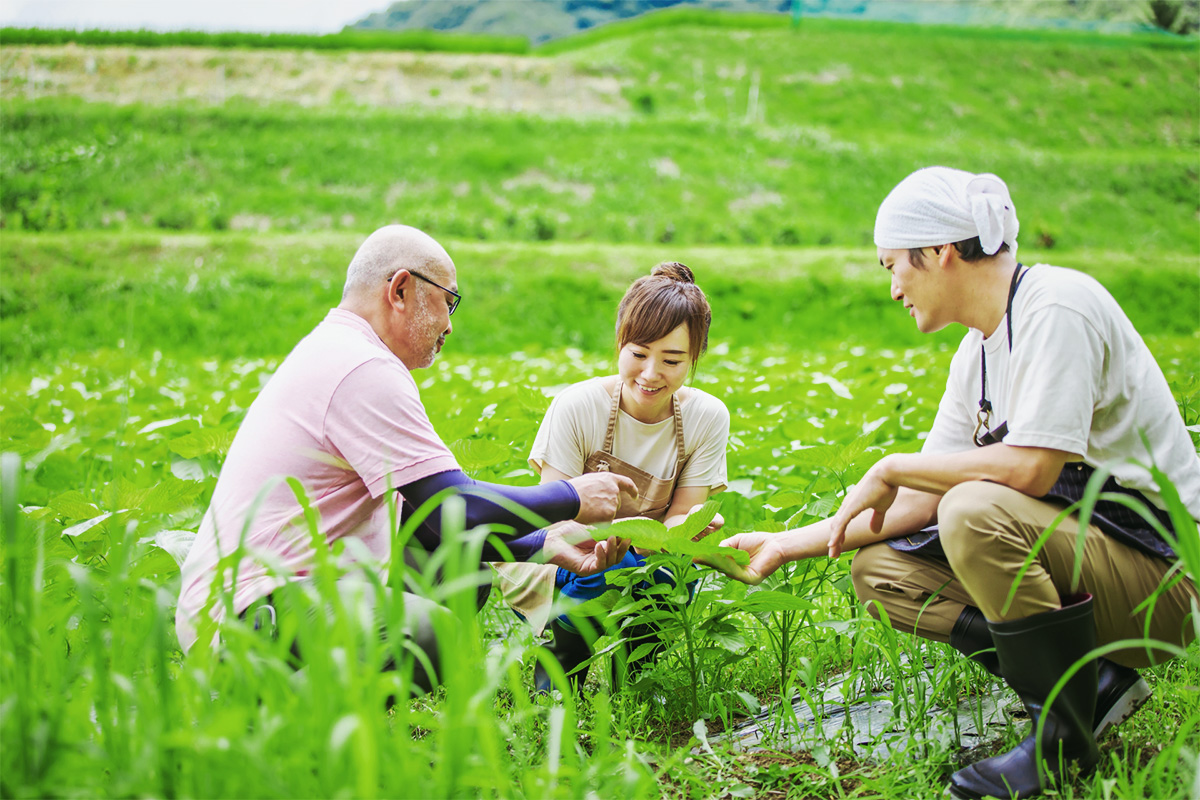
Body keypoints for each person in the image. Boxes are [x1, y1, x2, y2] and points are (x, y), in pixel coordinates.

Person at [710, 168, 1200, 799]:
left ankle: (1062, 741)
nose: (893, 289)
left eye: (894, 266)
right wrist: (789, 541)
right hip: (1098, 561)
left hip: (1168, 582)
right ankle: (1091, 686)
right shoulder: (980, 349)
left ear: (940, 252)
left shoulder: (1059, 307)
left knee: (972, 510)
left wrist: (891, 464)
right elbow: (918, 502)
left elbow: (1032, 469)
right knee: (882, 571)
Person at [175, 224, 638, 692]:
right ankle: (281, 730)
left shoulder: (342, 351)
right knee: (428, 633)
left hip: (272, 593)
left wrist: (541, 546)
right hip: (250, 611)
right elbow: (454, 507)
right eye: (448, 301)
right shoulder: (362, 368)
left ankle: (332, 727)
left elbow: (427, 518)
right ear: (400, 290)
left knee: (460, 569)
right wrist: (571, 497)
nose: (450, 324)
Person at [494, 262, 730, 692]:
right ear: (619, 343)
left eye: (672, 360)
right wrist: (644, 538)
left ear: (695, 357)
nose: (651, 373)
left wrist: (691, 531)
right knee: (602, 572)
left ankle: (634, 681)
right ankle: (562, 664)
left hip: (640, 553)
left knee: (671, 572)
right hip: (563, 555)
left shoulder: (706, 417)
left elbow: (681, 516)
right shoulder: (578, 406)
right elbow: (555, 524)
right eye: (638, 354)